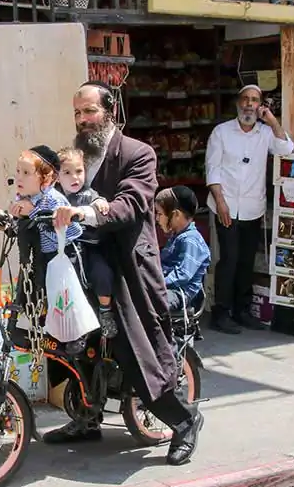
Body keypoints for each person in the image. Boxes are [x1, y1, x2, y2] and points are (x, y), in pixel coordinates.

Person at [48, 81, 203, 466]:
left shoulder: (138, 154)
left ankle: (185, 421)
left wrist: (90, 212)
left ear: (110, 110)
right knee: (75, 344)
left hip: (127, 270)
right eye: (77, 114)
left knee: (139, 353)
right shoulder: (74, 159)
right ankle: (87, 418)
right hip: (83, 268)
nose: (82, 121)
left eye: (89, 112)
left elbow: (131, 204)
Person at [205, 85, 294, 334]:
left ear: (260, 106)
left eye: (254, 100)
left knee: (246, 261)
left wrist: (273, 121)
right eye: (245, 99)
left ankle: (242, 311)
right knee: (229, 260)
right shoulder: (221, 132)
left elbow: (287, 149)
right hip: (226, 205)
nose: (249, 104)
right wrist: (220, 201)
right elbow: (212, 168)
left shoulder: (265, 134)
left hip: (252, 207)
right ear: (237, 103)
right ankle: (221, 313)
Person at [56, 146, 117, 337]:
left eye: (79, 171)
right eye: (67, 172)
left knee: (102, 273)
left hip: (90, 247)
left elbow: (99, 203)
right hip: (66, 250)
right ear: (57, 176)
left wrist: (100, 203)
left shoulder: (89, 194)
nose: (75, 178)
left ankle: (105, 312)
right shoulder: (56, 197)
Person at [155, 186, 211, 313]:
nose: (157, 218)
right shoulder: (176, 236)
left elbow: (182, 275)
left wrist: (156, 283)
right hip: (167, 289)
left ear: (176, 215)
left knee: (147, 302)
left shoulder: (190, 240)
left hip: (179, 294)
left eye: (160, 214)